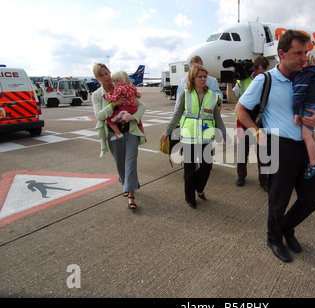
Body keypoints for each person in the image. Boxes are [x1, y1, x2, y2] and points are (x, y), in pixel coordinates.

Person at [235, 30, 315, 263]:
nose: (304, 58)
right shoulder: (266, 79)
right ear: (282, 54)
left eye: (306, 52)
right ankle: (273, 239)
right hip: (279, 146)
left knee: (313, 199)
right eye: (298, 53)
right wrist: (256, 132)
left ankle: (286, 227)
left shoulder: (306, 77)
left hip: (307, 145)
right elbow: (240, 110)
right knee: (278, 200)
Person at [161, 64, 227, 209]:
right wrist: (167, 131)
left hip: (206, 138)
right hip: (188, 137)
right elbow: (177, 114)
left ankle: (199, 187)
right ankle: (190, 197)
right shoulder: (185, 94)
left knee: (206, 167)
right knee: (189, 170)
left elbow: (217, 117)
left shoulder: (212, 96)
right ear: (193, 78)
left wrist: (224, 133)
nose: (203, 79)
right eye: (200, 77)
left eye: (205, 76)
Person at [92, 63, 147, 210]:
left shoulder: (122, 87)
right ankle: (126, 181)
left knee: (130, 161)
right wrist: (113, 104)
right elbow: (99, 115)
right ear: (97, 78)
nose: (106, 77)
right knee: (120, 162)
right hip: (113, 132)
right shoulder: (97, 95)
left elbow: (141, 105)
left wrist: (133, 117)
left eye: (107, 73)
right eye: (102, 75)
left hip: (130, 131)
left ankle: (130, 194)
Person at [227, 55, 270, 190]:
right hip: (243, 122)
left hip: (261, 121)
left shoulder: (268, 81)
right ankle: (241, 176)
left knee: (262, 153)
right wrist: (229, 82)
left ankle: (264, 181)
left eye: (266, 72)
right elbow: (231, 99)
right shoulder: (243, 81)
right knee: (242, 152)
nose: (264, 75)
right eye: (262, 72)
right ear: (255, 69)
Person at [291, 52, 315, 179]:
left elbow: (299, 94)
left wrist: (296, 111)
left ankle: (314, 163)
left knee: (305, 134)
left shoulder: (305, 74)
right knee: (310, 131)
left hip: (310, 106)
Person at [105, 71, 145, 141]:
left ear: (124, 80)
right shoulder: (132, 86)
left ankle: (118, 133)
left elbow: (114, 98)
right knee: (139, 121)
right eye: (114, 81)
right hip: (134, 107)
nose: (115, 83)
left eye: (117, 81)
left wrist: (107, 95)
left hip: (125, 108)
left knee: (109, 120)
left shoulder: (119, 88)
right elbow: (138, 95)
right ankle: (143, 135)